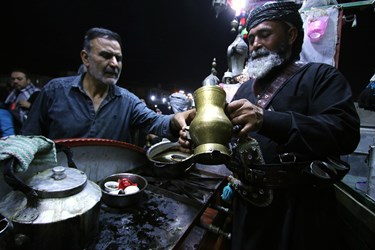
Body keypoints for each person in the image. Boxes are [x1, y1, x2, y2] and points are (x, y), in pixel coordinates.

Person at [179, 1, 360, 250]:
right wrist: (198, 137)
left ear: (291, 34)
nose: (255, 45)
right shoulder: (244, 89)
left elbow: (345, 132)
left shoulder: (321, 77)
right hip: (248, 210)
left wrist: (267, 120)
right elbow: (229, 141)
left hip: (299, 213)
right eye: (251, 38)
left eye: (265, 34)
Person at [21, 27, 193, 143]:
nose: (114, 63)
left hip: (109, 188)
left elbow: (157, 122)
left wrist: (177, 119)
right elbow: (28, 140)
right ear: (85, 58)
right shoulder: (54, 91)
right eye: (106, 55)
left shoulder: (128, 102)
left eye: (118, 58)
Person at [4, 69, 40, 133]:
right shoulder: (12, 94)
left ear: (28, 80)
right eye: (13, 79)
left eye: (19, 79)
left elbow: (44, 112)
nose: (15, 81)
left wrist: (30, 106)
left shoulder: (37, 93)